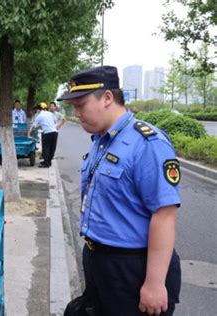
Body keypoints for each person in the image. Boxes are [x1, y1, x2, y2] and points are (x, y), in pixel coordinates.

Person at [57, 65, 181, 315]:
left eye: (81, 105)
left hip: (131, 267)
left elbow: (165, 214)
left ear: (107, 98)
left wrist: (155, 284)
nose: (77, 113)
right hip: (97, 259)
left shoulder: (147, 143)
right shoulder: (101, 141)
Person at [27, 102, 58, 168]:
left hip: (47, 133)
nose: (37, 111)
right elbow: (54, 121)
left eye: (38, 109)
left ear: (40, 109)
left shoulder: (40, 116)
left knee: (46, 148)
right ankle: (48, 162)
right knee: (52, 148)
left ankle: (46, 164)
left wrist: (29, 134)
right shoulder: (50, 114)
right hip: (55, 132)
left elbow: (33, 126)